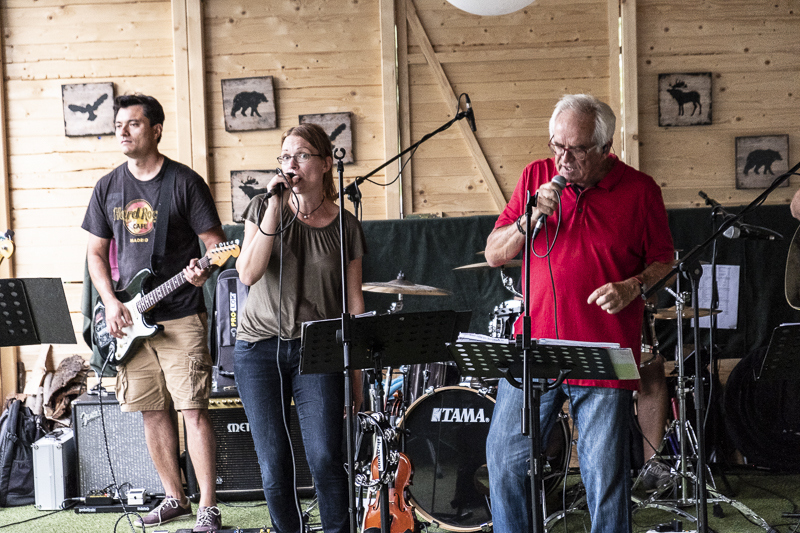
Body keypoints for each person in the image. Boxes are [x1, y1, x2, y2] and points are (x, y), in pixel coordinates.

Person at [484, 94, 675, 533]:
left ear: (605, 147)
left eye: (577, 149)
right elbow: (494, 253)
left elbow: (665, 260)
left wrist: (633, 285)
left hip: (605, 351)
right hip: (534, 347)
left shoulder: (641, 190)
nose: (563, 159)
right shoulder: (534, 176)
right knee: (504, 459)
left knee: (603, 477)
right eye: (557, 146)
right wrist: (529, 218)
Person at [82, 94, 225, 531]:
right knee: (151, 410)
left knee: (193, 410)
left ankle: (207, 506)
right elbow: (95, 253)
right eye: (118, 125)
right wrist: (110, 302)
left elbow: (216, 247)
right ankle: (173, 497)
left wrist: (203, 271)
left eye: (134, 124)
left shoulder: (184, 183)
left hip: (181, 314)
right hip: (130, 318)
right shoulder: (108, 186)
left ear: (156, 129)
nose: (123, 132)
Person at [233, 123, 366, 533]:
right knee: (274, 464)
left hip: (319, 350)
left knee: (325, 457)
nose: (291, 163)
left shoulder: (346, 225)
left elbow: (355, 303)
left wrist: (356, 375)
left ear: (325, 164)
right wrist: (275, 205)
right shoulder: (262, 206)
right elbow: (248, 273)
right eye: (285, 156)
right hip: (258, 349)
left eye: (302, 155)